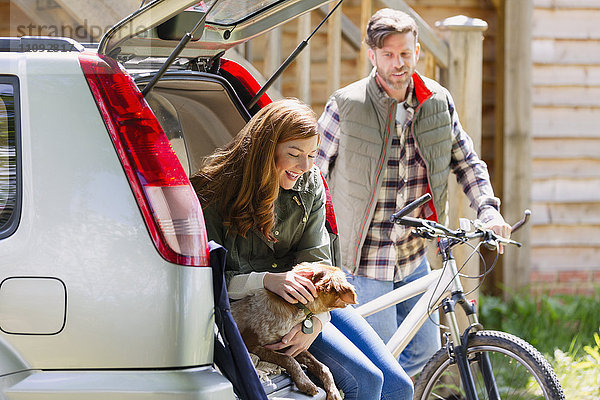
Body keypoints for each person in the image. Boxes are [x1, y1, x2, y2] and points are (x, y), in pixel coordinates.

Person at [315, 8, 512, 377]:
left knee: (425, 355)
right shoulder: (346, 105)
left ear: (417, 51)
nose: (398, 63)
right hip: (364, 262)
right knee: (383, 369)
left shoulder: (437, 102)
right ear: (371, 55)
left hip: (414, 258)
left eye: (405, 53)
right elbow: (313, 176)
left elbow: (466, 161)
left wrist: (488, 209)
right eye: (388, 55)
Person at [192, 98, 413, 400]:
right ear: (265, 150)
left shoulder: (310, 184)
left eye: (311, 154)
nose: (305, 166)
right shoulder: (214, 192)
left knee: (401, 386)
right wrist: (268, 280)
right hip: (259, 309)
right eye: (294, 154)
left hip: (310, 306)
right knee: (367, 382)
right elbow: (211, 279)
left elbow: (318, 260)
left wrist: (315, 323)